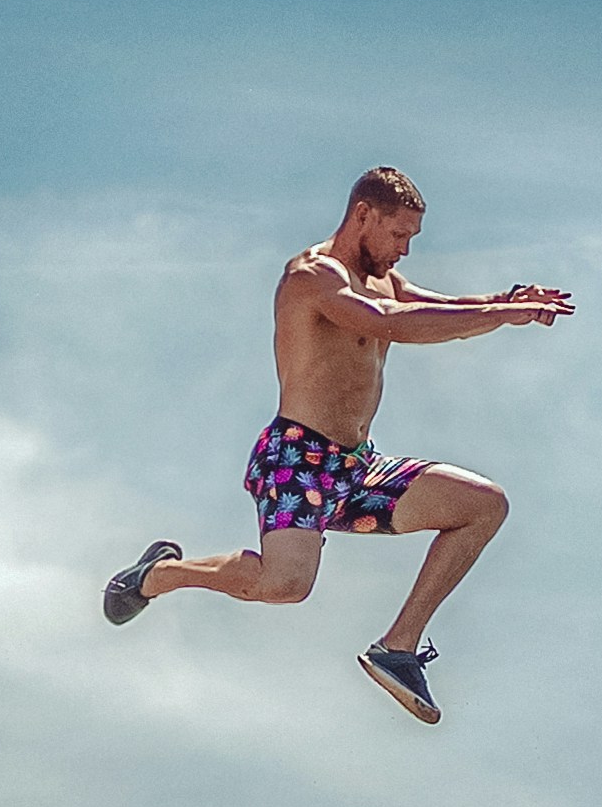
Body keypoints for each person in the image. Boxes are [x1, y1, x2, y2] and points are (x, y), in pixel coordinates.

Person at [103, 165, 573, 725]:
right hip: (296, 459)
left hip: (357, 466)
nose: (404, 250)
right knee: (285, 585)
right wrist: (501, 312)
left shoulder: (386, 280)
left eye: (411, 238)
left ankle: (398, 648)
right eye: (398, 235)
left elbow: (442, 307)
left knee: (483, 504)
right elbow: (391, 322)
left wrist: (507, 302)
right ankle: (159, 575)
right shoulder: (312, 275)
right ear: (363, 215)